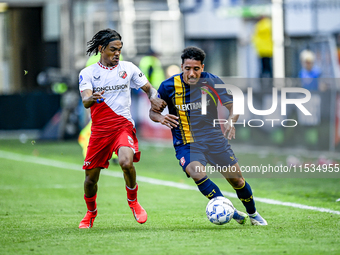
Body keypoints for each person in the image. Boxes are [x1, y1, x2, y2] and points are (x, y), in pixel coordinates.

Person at [149, 46, 267, 225]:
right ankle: (227, 207)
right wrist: (161, 117)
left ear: (202, 68)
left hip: (214, 139)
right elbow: (152, 112)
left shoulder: (212, 81)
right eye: (187, 68)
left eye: (196, 69)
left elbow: (233, 106)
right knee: (197, 173)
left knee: (237, 180)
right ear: (182, 67)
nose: (191, 73)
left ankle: (253, 214)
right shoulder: (168, 86)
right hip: (186, 142)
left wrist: (231, 121)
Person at [78, 28, 166, 228]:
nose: (117, 53)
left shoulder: (129, 68)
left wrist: (153, 99)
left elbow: (149, 88)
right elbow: (85, 99)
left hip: (122, 126)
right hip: (99, 130)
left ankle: (133, 201)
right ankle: (90, 213)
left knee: (126, 162)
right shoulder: (88, 73)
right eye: (112, 49)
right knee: (90, 180)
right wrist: (90, 98)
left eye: (120, 49)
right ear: (101, 49)